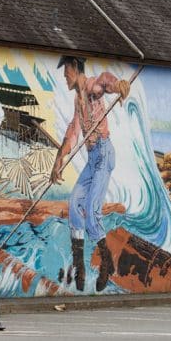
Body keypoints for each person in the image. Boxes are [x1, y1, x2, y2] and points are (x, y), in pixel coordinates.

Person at [50, 55, 129, 292]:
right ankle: (79, 267)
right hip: (93, 157)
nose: (65, 77)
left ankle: (107, 264)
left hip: (104, 153)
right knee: (74, 201)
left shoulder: (91, 86)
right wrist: (59, 159)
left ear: (75, 68)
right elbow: (73, 132)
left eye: (66, 71)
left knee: (92, 211)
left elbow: (105, 82)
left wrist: (119, 86)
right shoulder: (78, 100)